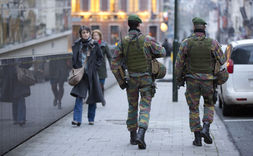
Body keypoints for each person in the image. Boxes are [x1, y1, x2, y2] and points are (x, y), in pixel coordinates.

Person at [111, 14, 166, 149]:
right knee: (145, 106)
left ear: (129, 25)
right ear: (139, 25)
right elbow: (163, 52)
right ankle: (141, 133)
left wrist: (121, 81)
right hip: (146, 79)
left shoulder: (122, 42)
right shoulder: (147, 40)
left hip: (131, 80)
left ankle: (133, 136)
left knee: (132, 107)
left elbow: (114, 64)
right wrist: (151, 54)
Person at [175, 17, 226, 146]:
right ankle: (206, 128)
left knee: (193, 108)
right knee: (209, 104)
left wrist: (178, 80)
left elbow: (178, 65)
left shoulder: (186, 43)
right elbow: (222, 59)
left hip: (191, 80)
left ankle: (197, 139)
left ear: (194, 28)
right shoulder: (213, 43)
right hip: (208, 81)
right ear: (204, 28)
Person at [70, 26, 105, 126]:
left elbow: (100, 58)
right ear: (80, 34)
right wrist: (76, 67)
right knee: (79, 96)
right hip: (81, 75)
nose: (85, 34)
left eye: (87, 32)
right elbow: (74, 58)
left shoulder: (94, 44)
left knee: (92, 96)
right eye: (83, 33)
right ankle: (77, 119)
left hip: (92, 74)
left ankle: (91, 118)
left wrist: (95, 67)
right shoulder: (77, 44)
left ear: (90, 33)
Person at [92, 29, 112, 106]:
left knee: (101, 86)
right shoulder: (90, 45)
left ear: (100, 36)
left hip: (102, 68)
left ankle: (102, 98)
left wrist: (111, 65)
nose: (95, 37)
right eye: (94, 35)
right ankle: (95, 100)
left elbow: (109, 56)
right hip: (93, 68)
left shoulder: (104, 45)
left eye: (96, 35)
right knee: (94, 86)